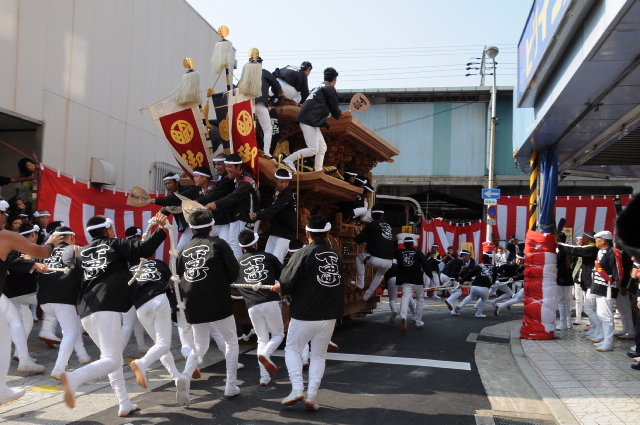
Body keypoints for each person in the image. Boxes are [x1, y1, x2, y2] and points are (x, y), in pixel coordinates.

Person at [60, 213, 168, 417]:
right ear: (109, 229)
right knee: (113, 360)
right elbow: (144, 249)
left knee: (110, 358)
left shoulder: (82, 253)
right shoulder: (115, 244)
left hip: (86, 311)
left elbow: (73, 278)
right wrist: (162, 228)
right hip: (106, 307)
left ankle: (124, 402)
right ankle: (74, 378)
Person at [272, 214, 344, 411]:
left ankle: (297, 389)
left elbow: (287, 281)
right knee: (319, 355)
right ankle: (312, 395)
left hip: (305, 311)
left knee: (292, 349)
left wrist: (281, 287)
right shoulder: (335, 256)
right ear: (328, 234)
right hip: (330, 313)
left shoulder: (302, 253)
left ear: (307, 233)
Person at [0, 198, 63, 405]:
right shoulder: (6, 235)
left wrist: (32, 265)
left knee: (15, 320)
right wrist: (52, 241)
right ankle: (2, 387)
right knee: (4, 337)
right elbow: (43, 252)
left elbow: (14, 259)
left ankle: (23, 360)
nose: (6, 217)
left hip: (3, 296)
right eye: (4, 213)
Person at [174, 210, 240, 407]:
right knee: (231, 341)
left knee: (200, 346)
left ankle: (185, 375)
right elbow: (234, 272)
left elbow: (176, 279)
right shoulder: (219, 243)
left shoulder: (184, 249)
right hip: (218, 300)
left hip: (192, 303)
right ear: (212, 226)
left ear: (191, 228)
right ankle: (230, 385)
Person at [37, 225, 91, 379]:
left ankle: (82, 355)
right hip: (62, 298)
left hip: (44, 300)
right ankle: (59, 368)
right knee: (71, 331)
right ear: (71, 237)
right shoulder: (74, 249)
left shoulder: (45, 251)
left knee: (72, 325)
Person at [236, 230, 285, 386]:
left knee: (262, 339)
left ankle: (264, 377)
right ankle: (266, 355)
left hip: (252, 305)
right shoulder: (268, 257)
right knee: (278, 334)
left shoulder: (237, 263)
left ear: (242, 247)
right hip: (269, 300)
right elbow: (284, 276)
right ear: (256, 243)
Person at [282, 67, 351, 172]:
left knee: (322, 147)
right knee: (313, 149)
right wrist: (342, 113)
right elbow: (334, 108)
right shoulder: (329, 88)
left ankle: (318, 170)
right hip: (309, 121)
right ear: (335, 79)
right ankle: (288, 160)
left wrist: (338, 112)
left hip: (309, 120)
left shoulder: (318, 87)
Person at [128, 258, 182, 389]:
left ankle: (176, 376)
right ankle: (142, 363)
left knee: (159, 344)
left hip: (141, 307)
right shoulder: (159, 263)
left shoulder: (129, 271)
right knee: (163, 344)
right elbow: (172, 284)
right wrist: (175, 308)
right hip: (159, 299)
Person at [205, 154, 259, 259]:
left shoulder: (246, 182)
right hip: (239, 215)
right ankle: (238, 266)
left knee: (247, 244)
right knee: (233, 242)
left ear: (238, 167)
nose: (227, 169)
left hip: (249, 216)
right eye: (226, 166)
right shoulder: (236, 178)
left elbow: (233, 197)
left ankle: (248, 266)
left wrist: (216, 204)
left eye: (230, 167)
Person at [152, 166, 215, 251]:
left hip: (200, 222)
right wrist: (162, 212)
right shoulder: (171, 197)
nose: (167, 186)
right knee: (183, 248)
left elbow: (182, 201)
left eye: (169, 183)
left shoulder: (189, 190)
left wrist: (155, 201)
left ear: (177, 182)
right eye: (166, 184)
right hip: (190, 225)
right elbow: (170, 206)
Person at [557, 232, 600, 340]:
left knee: (589, 308)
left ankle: (600, 330)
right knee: (587, 306)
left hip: (589, 282)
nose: (581, 239)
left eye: (583, 237)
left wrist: (558, 244)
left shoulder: (591, 248)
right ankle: (594, 329)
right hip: (583, 281)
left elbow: (574, 250)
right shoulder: (590, 249)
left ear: (588, 239)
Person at [251, 168, 296, 263]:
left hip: (285, 233)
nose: (284, 185)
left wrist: (258, 215)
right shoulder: (275, 191)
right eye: (281, 182)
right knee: (266, 258)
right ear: (275, 180)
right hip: (275, 230)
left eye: (286, 182)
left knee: (276, 261)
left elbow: (273, 209)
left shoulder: (287, 195)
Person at [588, 231, 622, 352]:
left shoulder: (612, 252)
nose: (595, 241)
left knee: (607, 316)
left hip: (607, 288)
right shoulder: (601, 252)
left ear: (603, 241)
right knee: (601, 314)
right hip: (599, 287)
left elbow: (617, 271)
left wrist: (618, 286)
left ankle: (609, 342)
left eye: (597, 239)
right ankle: (605, 339)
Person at [354, 206, 394, 300]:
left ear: (372, 215)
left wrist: (358, 234)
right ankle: (367, 296)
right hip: (389, 261)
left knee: (359, 258)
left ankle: (361, 284)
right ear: (382, 215)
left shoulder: (371, 225)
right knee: (379, 275)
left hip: (377, 258)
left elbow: (359, 240)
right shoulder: (388, 226)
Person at [395, 236, 431, 333]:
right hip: (417, 279)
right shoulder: (418, 252)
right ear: (413, 244)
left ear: (404, 244)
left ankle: (403, 317)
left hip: (405, 280)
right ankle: (418, 321)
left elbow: (388, 255)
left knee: (405, 298)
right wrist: (430, 275)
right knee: (420, 299)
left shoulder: (399, 252)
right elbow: (425, 264)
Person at [197, 154, 235, 241]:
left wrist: (198, 201)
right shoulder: (220, 179)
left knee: (230, 243)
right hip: (217, 220)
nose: (216, 167)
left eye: (219, 164)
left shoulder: (229, 179)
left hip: (229, 219)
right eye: (215, 165)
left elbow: (217, 193)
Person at [453, 253, 498, 318]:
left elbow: (469, 274)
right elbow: (494, 279)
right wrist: (492, 283)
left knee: (471, 296)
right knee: (484, 300)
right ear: (490, 259)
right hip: (484, 287)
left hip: (474, 285)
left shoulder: (479, 266)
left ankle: (460, 306)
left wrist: (461, 282)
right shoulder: (494, 267)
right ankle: (478, 313)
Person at [254, 57, 282, 158]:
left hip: (246, 106)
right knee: (267, 129)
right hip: (260, 104)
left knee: (250, 130)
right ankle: (266, 152)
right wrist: (278, 93)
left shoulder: (245, 74)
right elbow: (277, 85)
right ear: (261, 63)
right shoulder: (264, 72)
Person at [556, 233, 575, 330]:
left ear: (559, 238)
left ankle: (563, 324)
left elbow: (556, 264)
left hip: (561, 278)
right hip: (569, 277)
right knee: (567, 302)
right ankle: (569, 323)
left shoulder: (560, 249)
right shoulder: (568, 249)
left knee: (561, 301)